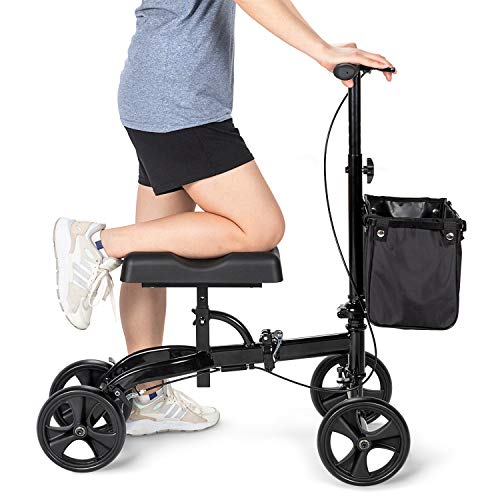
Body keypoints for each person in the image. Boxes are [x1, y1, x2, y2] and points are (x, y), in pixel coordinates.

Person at [53, 0, 394, 437]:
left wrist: (324, 45)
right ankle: (97, 244)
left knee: (151, 251)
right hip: (179, 104)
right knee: (261, 228)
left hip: (161, 96)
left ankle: (147, 397)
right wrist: (321, 51)